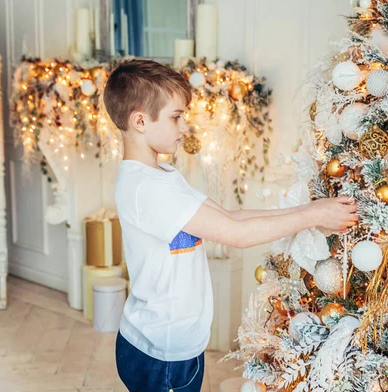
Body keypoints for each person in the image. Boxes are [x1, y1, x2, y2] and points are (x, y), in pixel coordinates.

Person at [103, 59, 359, 392]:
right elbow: (236, 235)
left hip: (170, 344)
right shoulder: (147, 189)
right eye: (176, 117)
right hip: (161, 353)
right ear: (140, 121)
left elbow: (230, 218)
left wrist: (310, 209)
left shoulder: (162, 176)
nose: (184, 128)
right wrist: (314, 216)